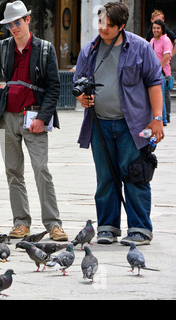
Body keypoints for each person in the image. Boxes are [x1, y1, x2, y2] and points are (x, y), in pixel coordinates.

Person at [0, 1, 67, 240]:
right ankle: (21, 222)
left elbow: (54, 86)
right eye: (10, 25)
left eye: (17, 22)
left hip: (34, 116)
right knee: (13, 171)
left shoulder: (45, 49)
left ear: (27, 19)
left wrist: (44, 117)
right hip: (9, 117)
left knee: (41, 170)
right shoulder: (4, 48)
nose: (14, 28)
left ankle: (53, 224)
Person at [74, 2, 164, 246]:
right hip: (99, 124)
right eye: (101, 23)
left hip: (133, 125)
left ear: (122, 26)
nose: (103, 29)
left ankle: (140, 229)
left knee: (135, 175)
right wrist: (82, 97)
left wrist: (157, 119)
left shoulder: (140, 48)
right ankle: (107, 227)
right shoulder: (89, 50)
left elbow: (155, 82)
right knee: (106, 177)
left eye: (110, 26)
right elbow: (78, 83)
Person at [150, 19, 172, 126]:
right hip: (153, 72)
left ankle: (163, 120)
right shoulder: (152, 41)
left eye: (158, 28)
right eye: (154, 28)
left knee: (161, 97)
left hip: (162, 73)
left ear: (162, 29)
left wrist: (158, 69)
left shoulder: (166, 40)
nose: (156, 30)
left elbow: (167, 55)